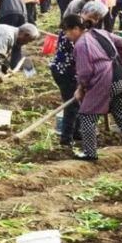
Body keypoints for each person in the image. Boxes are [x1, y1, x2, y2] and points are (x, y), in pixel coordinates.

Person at [70, 17, 122, 164]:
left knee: (87, 116)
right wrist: (121, 62)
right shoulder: (100, 32)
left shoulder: (81, 44)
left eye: (67, 32)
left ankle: (90, 153)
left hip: (106, 80)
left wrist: (81, 88)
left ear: (75, 29)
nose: (67, 36)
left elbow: (84, 72)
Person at [51, 14, 82, 147]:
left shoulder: (68, 34)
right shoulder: (69, 38)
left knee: (78, 102)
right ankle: (66, 139)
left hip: (64, 71)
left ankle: (77, 132)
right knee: (72, 105)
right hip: (65, 73)